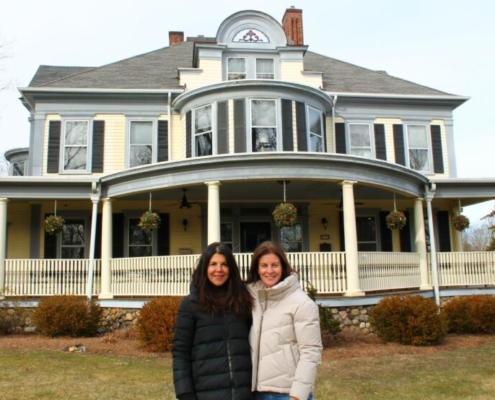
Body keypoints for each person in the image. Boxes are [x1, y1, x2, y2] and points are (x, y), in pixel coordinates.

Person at [173, 242, 254, 400]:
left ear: (231, 268)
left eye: (224, 264)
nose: (219, 270)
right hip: (205, 393)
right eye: (213, 264)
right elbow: (180, 353)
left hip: (243, 393)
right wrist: (185, 393)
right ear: (204, 268)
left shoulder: (242, 301)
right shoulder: (190, 304)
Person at [247, 241, 322, 400]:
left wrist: (298, 395)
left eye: (275, 265)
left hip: (287, 394)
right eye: (264, 266)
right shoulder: (253, 299)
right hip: (255, 392)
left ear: (283, 267)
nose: (269, 271)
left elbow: (311, 352)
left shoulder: (301, 303)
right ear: (257, 269)